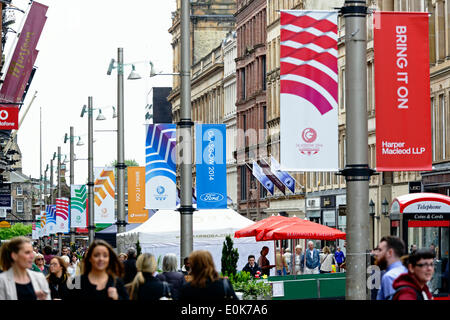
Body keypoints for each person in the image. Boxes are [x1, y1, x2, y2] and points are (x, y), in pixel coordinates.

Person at [375, 236, 408, 300]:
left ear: (390, 252)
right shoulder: (406, 271)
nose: (376, 254)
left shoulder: (389, 276)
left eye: (380, 250)